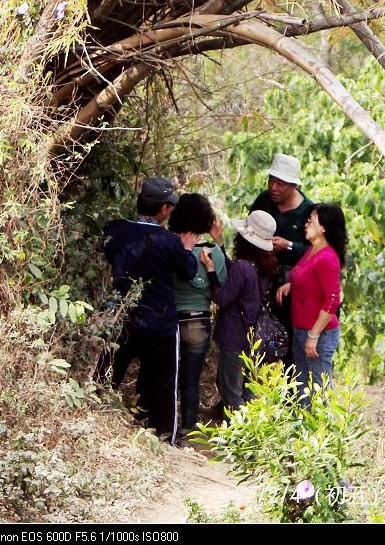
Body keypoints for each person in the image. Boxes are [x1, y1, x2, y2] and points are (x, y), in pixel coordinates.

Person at [102, 176, 199, 445]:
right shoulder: (168, 241)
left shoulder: (116, 230)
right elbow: (188, 270)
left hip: (122, 317)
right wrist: (187, 249)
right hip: (160, 322)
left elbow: (111, 254)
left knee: (108, 374)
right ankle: (164, 439)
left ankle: (91, 419)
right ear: (164, 209)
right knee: (164, 386)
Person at [202, 210, 278, 414]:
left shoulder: (243, 267)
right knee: (246, 389)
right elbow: (236, 275)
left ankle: (240, 435)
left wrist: (210, 270)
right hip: (253, 337)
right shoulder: (262, 266)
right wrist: (219, 244)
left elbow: (221, 297)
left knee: (231, 391)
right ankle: (250, 428)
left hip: (234, 336)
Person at [168, 193, 228, 435]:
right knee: (190, 379)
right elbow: (220, 288)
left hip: (170, 319)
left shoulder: (169, 246)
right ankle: (188, 427)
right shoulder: (215, 253)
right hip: (198, 321)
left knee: (166, 375)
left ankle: (161, 422)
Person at [275, 203, 346, 406]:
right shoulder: (313, 250)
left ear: (324, 227)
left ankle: (326, 436)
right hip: (301, 330)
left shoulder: (328, 258)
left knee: (319, 390)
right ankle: (304, 434)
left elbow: (332, 299)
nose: (306, 224)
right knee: (302, 388)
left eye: (310, 221)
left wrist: (313, 335)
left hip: (319, 334)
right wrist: (291, 285)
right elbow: (307, 277)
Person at [250, 153, 314, 366]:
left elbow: (318, 253)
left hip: (293, 289)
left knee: (293, 347)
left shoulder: (309, 212)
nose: (274, 187)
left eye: (280, 183)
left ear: (294, 185)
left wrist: (288, 245)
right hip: (261, 281)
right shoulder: (263, 200)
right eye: (271, 181)